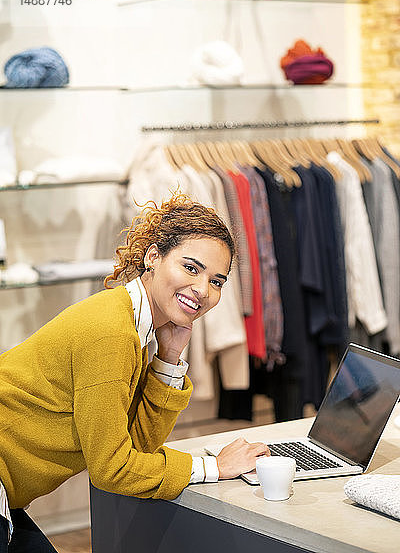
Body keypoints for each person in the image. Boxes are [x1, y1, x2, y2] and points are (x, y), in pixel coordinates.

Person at [0, 192, 270, 552]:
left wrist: (169, 358)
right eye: (191, 268)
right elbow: (112, 469)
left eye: (217, 281)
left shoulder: (136, 327)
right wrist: (213, 468)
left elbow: (138, 448)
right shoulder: (111, 331)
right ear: (153, 256)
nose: (203, 290)